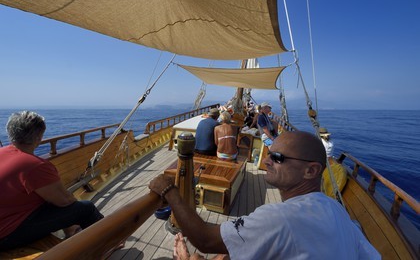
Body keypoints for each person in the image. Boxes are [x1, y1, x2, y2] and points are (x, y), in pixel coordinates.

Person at [149, 131, 380, 259]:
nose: (266, 160)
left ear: (311, 171)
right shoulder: (335, 209)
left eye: (278, 158)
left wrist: (170, 191)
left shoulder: (280, 219)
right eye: (270, 153)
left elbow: (206, 240)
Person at [0, 111, 104, 250]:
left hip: (6, 220)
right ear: (39, 137)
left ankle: (71, 231)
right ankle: (110, 243)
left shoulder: (3, 152)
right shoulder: (35, 165)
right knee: (86, 209)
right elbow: (65, 200)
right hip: (7, 235)